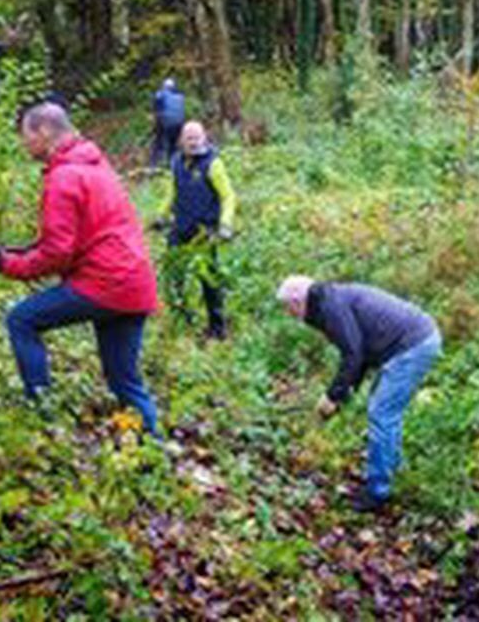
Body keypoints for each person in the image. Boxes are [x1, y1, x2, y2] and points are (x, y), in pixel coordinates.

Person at [0, 103, 163, 435]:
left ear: (44, 132)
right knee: (124, 381)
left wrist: (9, 265)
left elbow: (57, 253)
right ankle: (154, 446)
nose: (23, 143)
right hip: (134, 283)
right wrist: (23, 253)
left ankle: (41, 413)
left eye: (25, 135)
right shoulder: (94, 164)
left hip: (104, 283)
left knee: (21, 320)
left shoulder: (64, 177)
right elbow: (76, 236)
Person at [277, 276, 441, 512]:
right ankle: (390, 474)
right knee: (384, 411)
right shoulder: (328, 301)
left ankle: (378, 493)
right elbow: (359, 354)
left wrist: (332, 396)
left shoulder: (330, 307)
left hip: (413, 345)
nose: (288, 313)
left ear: (297, 301)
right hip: (413, 341)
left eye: (287, 307)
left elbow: (353, 355)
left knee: (381, 413)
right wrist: (342, 396)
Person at [155, 120, 239, 339]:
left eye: (197, 137)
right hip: (180, 227)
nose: (193, 142)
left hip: (204, 231)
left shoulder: (213, 164)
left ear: (204, 138)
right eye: (189, 138)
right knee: (174, 274)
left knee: (208, 279)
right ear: (181, 140)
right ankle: (182, 319)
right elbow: (171, 192)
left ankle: (217, 328)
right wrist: (161, 215)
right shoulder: (176, 162)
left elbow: (228, 196)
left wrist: (226, 224)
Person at [151, 79, 186, 169]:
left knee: (159, 142)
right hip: (179, 124)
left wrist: (155, 125)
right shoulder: (180, 96)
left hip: (166, 123)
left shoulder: (160, 94)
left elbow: (156, 110)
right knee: (173, 144)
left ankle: (154, 165)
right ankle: (173, 165)